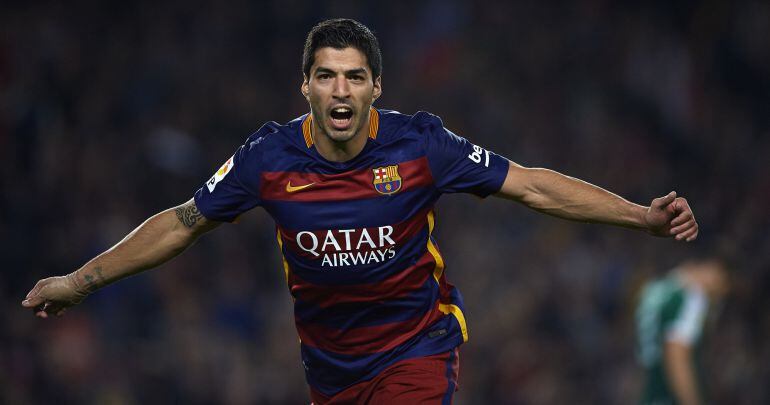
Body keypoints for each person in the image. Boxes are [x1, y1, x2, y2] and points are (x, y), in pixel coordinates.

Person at [22, 18, 699, 404]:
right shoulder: (269, 157)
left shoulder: (422, 144)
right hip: (329, 370)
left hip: (417, 347)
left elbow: (531, 185)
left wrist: (641, 216)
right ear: (307, 87)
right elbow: (180, 222)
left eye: (353, 76)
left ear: (376, 86)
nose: (340, 88)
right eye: (326, 75)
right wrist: (81, 280)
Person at [635, 259, 729, 405]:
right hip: (670, 397)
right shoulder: (691, 297)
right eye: (721, 282)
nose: (720, 291)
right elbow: (676, 355)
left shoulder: (655, 289)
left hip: (651, 395)